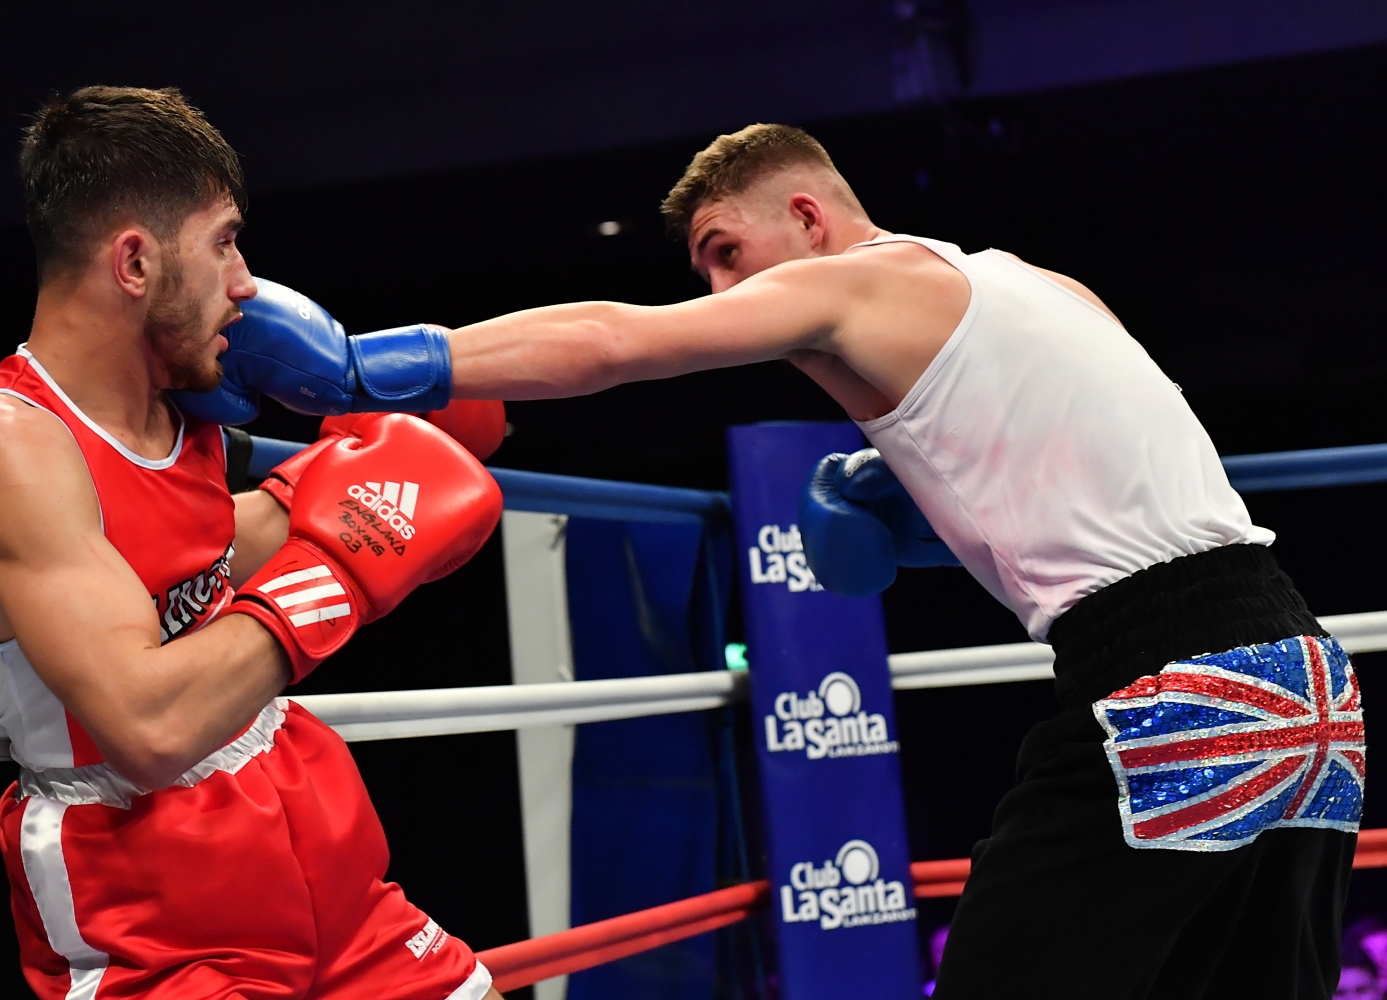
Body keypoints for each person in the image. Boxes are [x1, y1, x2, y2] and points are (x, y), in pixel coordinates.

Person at [195, 123, 1363, 998]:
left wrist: (370, 368)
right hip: (1309, 687)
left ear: (808, 218)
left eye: (724, 252)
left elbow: (614, 341)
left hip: (1173, 697)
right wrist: (912, 509)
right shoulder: (1039, 286)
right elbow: (1112, 491)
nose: (719, 292)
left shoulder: (855, 281)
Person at [0, 86, 505, 1000]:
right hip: (162, 927)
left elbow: (192, 554)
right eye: (224, 240)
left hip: (327, 868)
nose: (244, 281)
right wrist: (342, 571)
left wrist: (356, 475)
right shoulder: (13, 447)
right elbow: (148, 726)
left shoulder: (185, 410)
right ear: (134, 262)